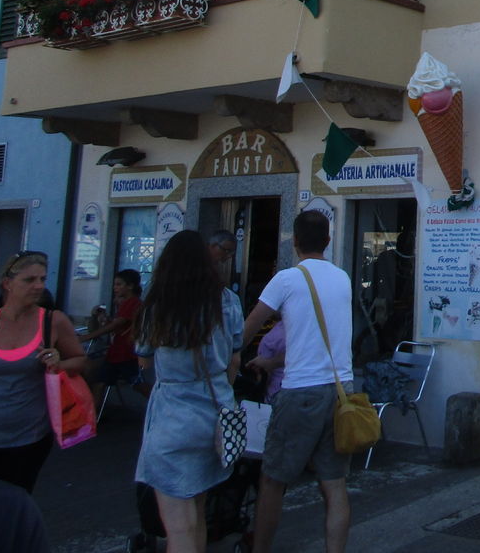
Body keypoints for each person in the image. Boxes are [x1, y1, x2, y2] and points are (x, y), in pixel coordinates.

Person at [241, 211, 353, 553]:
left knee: (273, 479)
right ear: (328, 241)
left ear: (295, 242)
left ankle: (260, 548)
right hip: (341, 390)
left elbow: (249, 328)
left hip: (301, 389)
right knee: (334, 484)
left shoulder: (286, 279)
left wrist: (230, 356)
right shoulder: (343, 278)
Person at [134, 230, 243, 553]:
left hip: (173, 414)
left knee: (178, 526)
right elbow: (235, 355)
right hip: (216, 413)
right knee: (197, 514)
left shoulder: (158, 303)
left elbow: (143, 353)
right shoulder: (227, 300)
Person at [0, 250, 88, 492]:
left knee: (15, 500)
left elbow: (81, 361)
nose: (39, 286)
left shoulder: (53, 321)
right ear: (7, 283)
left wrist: (59, 363)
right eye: (29, 280)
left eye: (42, 279)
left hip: (29, 437)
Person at [81, 269, 147, 404]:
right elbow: (117, 325)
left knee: (137, 384)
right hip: (117, 353)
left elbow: (116, 325)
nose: (115, 288)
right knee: (100, 382)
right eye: (115, 284)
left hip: (125, 353)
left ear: (130, 286)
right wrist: (104, 318)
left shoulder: (132, 303)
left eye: (119, 284)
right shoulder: (127, 303)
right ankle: (92, 415)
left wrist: (88, 336)